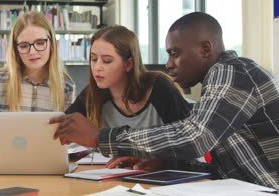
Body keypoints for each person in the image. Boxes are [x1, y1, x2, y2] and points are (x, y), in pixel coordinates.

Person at [51, 12, 279, 196]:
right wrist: (166, 163)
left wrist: (101, 137)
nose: (168, 64)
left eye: (174, 54)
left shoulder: (232, 72)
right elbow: (223, 166)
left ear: (205, 49)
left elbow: (195, 137)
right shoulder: (219, 84)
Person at [65, 25, 190, 169]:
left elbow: (190, 146)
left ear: (129, 64)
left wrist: (160, 160)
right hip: (120, 178)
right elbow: (64, 125)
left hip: (166, 180)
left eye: (106, 61)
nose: (97, 67)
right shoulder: (94, 93)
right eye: (93, 59)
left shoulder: (160, 88)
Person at [0, 11, 75, 112]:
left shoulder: (66, 86)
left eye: (40, 43)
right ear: (15, 49)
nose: (32, 52)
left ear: (52, 44)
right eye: (24, 46)